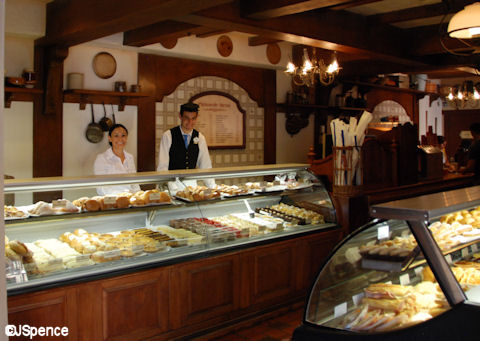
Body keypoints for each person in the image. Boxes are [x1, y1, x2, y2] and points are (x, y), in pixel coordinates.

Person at [157, 102, 212, 171]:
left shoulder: (200, 137)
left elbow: (205, 165)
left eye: (193, 118)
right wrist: (165, 181)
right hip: (173, 180)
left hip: (191, 180)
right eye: (186, 118)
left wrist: (211, 182)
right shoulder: (168, 136)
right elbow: (162, 166)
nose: (190, 122)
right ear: (180, 116)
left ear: (197, 118)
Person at [93, 123, 141, 195]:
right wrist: (121, 195)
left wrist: (139, 195)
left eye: (123, 135)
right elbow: (101, 187)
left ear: (127, 137)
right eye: (116, 136)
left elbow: (134, 183)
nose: (120, 139)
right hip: (111, 201)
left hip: (130, 200)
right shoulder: (102, 158)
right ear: (110, 138)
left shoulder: (130, 157)